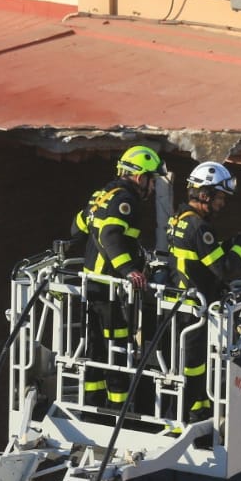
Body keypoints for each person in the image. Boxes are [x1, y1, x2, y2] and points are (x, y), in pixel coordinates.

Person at [164, 161, 241, 422]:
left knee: (194, 369)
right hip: (194, 311)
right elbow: (224, 267)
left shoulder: (180, 219)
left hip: (183, 306)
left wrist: (238, 239)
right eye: (220, 197)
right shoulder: (199, 228)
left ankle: (198, 414)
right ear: (205, 195)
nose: (222, 204)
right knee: (193, 371)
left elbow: (209, 254)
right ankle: (177, 423)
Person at [70, 144, 163, 411]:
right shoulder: (126, 201)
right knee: (117, 350)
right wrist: (129, 270)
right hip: (107, 289)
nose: (152, 187)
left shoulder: (100, 195)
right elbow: (110, 236)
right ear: (140, 177)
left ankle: (93, 407)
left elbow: (76, 228)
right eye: (152, 181)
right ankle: (116, 410)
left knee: (95, 349)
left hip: (91, 286)